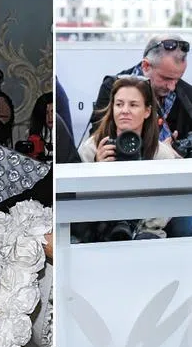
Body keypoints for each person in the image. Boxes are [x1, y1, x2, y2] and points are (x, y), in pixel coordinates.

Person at [77, 75, 180, 240]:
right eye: (119, 104)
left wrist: (144, 229)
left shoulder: (162, 155)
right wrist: (96, 171)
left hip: (147, 235)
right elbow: (76, 203)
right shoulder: (92, 148)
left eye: (133, 105)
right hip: (98, 234)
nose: (124, 110)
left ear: (147, 111)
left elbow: (169, 203)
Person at [89, 34, 192, 157]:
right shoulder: (111, 87)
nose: (172, 86)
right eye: (166, 78)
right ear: (145, 66)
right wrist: (99, 159)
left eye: (178, 79)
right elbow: (97, 136)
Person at [18, 91, 54, 162]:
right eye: (46, 112)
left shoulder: (63, 133)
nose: (50, 116)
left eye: (52, 111)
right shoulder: (33, 136)